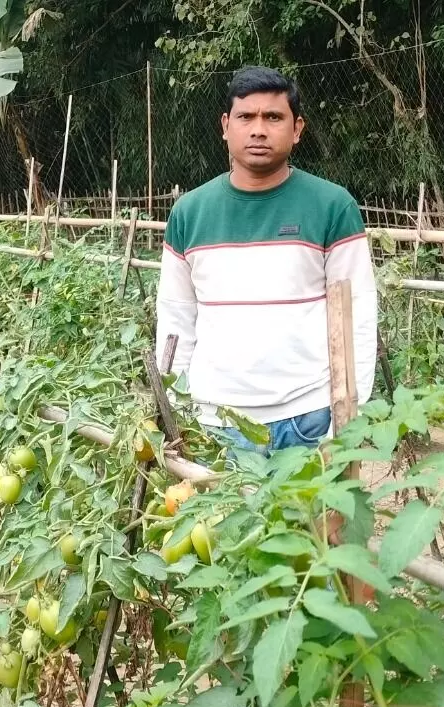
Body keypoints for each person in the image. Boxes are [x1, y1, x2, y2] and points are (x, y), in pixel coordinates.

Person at [154, 65, 377, 454]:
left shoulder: (331, 207)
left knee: (315, 518)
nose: (259, 129)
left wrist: (346, 420)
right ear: (226, 126)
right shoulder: (190, 213)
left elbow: (356, 315)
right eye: (246, 117)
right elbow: (176, 320)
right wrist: (175, 411)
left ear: (297, 129)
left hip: (309, 418)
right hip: (215, 421)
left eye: (273, 117)